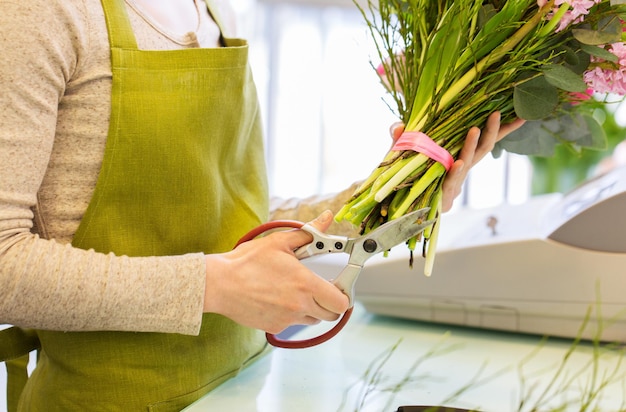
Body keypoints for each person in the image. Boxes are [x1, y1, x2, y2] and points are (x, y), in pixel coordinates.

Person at [0, 0, 524, 410]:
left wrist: (397, 195)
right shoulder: (41, 15)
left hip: (241, 385)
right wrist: (216, 285)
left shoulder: (215, 13)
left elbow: (231, 210)